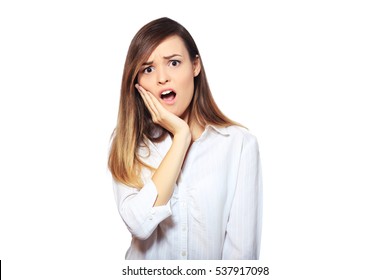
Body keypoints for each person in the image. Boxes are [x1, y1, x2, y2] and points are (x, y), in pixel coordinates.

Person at [108, 17, 262, 260]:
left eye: (174, 63)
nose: (162, 78)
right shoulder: (128, 141)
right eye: (148, 69)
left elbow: (241, 257)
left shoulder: (239, 144)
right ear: (137, 82)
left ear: (195, 66)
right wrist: (181, 136)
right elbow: (138, 224)